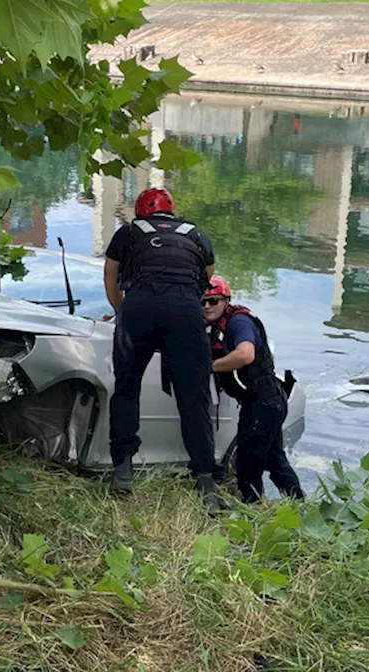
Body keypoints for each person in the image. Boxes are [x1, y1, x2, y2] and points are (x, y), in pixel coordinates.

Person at [104, 187, 227, 510]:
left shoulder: (129, 232)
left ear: (141, 211)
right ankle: (205, 479)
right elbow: (207, 278)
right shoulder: (196, 234)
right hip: (185, 311)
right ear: (172, 213)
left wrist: (122, 311)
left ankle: (123, 471)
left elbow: (111, 274)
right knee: (194, 396)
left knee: (127, 389)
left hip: (139, 308)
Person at [202, 276, 304, 504]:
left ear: (226, 300)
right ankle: (298, 504)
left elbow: (245, 355)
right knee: (275, 458)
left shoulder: (239, 323)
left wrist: (209, 368)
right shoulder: (214, 326)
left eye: (214, 300)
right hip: (264, 400)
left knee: (248, 462)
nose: (207, 306)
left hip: (264, 401)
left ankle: (253, 507)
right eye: (203, 302)